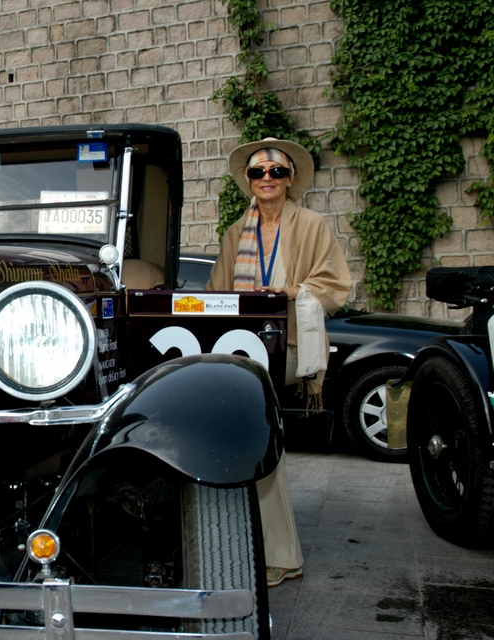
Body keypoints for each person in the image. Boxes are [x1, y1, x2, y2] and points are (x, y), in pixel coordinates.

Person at [209, 137, 351, 587]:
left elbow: (334, 285)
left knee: (253, 425)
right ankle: (243, 542)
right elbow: (217, 293)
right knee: (242, 428)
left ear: (290, 180)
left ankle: (279, 554)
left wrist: (291, 293)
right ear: (249, 182)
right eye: (257, 172)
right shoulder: (236, 232)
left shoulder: (311, 225)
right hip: (242, 346)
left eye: (275, 172)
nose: (266, 179)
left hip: (289, 347)